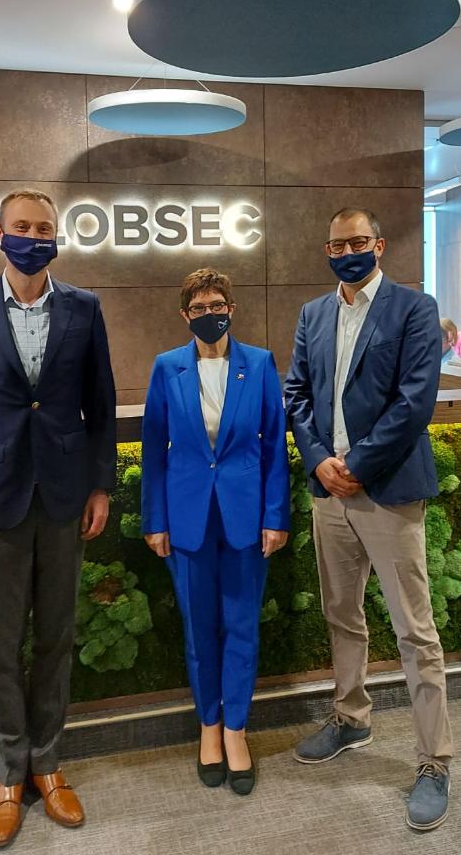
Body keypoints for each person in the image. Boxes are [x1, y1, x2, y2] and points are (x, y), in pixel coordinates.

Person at [0, 189, 116, 850]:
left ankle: (48, 764)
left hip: (64, 499)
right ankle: (9, 773)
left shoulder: (85, 309)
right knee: (1, 644)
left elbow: (101, 405)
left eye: (43, 228)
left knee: (57, 639)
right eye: (22, 227)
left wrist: (101, 486)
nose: (33, 237)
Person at [284, 208, 453, 832]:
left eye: (357, 242)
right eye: (337, 244)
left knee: (414, 630)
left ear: (378, 245)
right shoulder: (313, 314)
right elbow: (296, 393)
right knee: (341, 614)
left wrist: (357, 463)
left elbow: (416, 400)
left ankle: (434, 760)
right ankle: (351, 719)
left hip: (388, 490)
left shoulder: (413, 308)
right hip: (329, 491)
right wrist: (320, 461)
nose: (346, 252)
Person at [141, 268, 290, 796]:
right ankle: (208, 725)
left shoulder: (260, 364)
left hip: (246, 519)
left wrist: (275, 515)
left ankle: (236, 730)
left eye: (218, 305)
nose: (210, 315)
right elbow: (154, 449)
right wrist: (155, 520)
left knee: (242, 628)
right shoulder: (167, 367)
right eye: (200, 308)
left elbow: (274, 445)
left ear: (232, 308)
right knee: (199, 631)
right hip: (187, 521)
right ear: (185, 315)